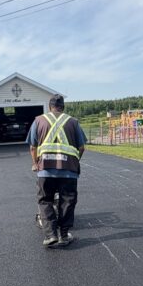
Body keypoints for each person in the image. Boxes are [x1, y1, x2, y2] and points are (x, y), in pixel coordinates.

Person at [28, 94, 87, 248]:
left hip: (45, 170)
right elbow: (81, 147)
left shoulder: (38, 121)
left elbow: (33, 147)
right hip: (69, 171)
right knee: (67, 201)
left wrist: (35, 163)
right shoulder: (73, 122)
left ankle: (50, 235)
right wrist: (74, 161)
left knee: (45, 200)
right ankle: (64, 235)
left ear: (50, 107)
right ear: (63, 107)